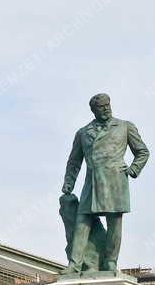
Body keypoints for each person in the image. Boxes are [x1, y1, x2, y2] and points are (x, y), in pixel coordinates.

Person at [62, 93, 149, 273]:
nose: (106, 109)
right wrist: (68, 183)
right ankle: (74, 264)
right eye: (101, 107)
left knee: (114, 224)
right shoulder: (83, 132)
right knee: (82, 222)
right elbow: (74, 161)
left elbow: (142, 152)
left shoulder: (125, 127)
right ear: (93, 110)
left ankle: (111, 262)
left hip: (115, 181)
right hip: (92, 182)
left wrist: (133, 170)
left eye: (107, 105)